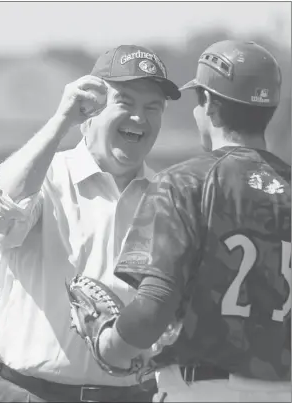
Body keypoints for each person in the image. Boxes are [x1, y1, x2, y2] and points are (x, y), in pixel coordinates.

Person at [0, 44, 181, 402]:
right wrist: (61, 120)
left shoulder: (171, 196)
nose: (139, 118)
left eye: (152, 108)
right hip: (29, 392)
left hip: (132, 395)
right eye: (125, 102)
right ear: (89, 114)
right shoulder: (45, 177)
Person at [94, 40, 291, 402]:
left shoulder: (183, 183)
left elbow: (154, 304)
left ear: (209, 104)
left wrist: (111, 345)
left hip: (202, 390)